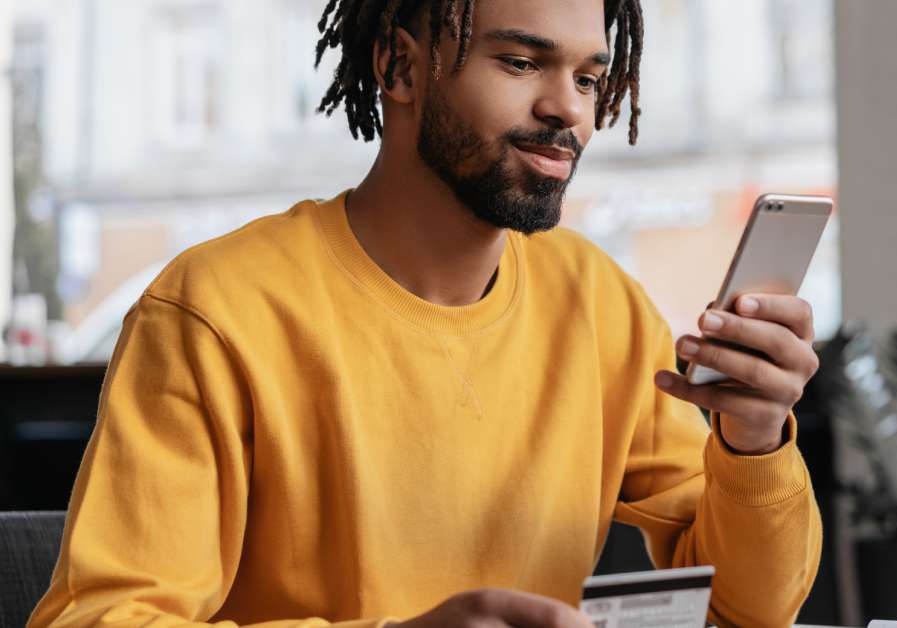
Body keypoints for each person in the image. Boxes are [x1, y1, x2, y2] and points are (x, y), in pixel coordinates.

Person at [28, 0, 822, 626]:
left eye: (587, 78)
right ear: (400, 66)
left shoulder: (598, 301)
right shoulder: (215, 311)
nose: (568, 112)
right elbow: (103, 621)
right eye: (520, 62)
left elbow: (749, 608)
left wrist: (752, 439)